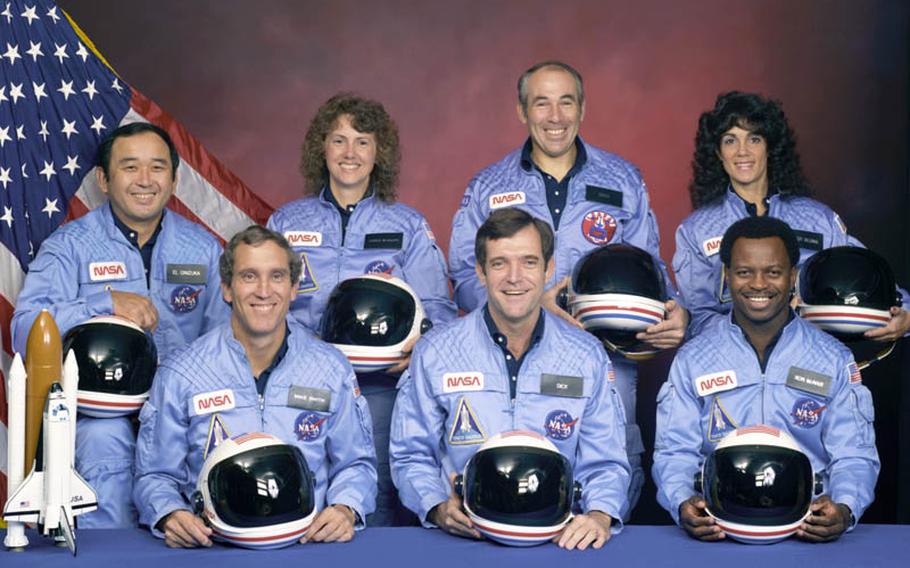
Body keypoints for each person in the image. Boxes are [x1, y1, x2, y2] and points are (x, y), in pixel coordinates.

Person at [447, 61, 685, 513]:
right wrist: (531, 307)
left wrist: (675, 312)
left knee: (607, 482)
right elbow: (463, 277)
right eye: (541, 103)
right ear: (522, 111)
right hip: (509, 357)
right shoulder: (488, 186)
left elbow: (652, 272)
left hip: (608, 358)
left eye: (566, 102)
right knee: (518, 483)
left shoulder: (623, 180)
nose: (555, 116)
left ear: (582, 109)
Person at [11, 122, 229, 527]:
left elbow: (226, 342)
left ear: (175, 179)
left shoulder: (201, 248)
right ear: (104, 180)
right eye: (130, 167)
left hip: (180, 412)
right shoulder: (70, 247)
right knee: (102, 444)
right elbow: (26, 329)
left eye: (157, 167)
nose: (145, 180)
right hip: (101, 414)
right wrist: (104, 302)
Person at [391, 208, 630, 551]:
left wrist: (599, 515)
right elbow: (410, 453)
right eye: (500, 263)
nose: (514, 277)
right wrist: (437, 506)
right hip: (465, 541)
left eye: (529, 262)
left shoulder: (585, 355)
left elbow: (606, 461)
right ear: (481, 271)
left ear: (548, 269)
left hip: (559, 543)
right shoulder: (436, 351)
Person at [267, 93, 455, 526]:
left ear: (379, 153)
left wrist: (417, 351)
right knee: (301, 493)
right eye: (339, 140)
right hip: (301, 385)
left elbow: (439, 310)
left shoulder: (406, 225)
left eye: (363, 142)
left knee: (380, 495)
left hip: (380, 390)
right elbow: (261, 301)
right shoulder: (286, 223)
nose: (350, 153)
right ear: (322, 148)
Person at [133, 225, 376, 548]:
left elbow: (356, 464)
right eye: (249, 276)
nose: (264, 291)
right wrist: (169, 513)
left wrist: (346, 508)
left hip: (308, 547)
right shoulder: (182, 372)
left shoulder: (331, 368)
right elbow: (155, 475)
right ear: (227, 288)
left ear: (293, 288)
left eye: (276, 276)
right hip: (215, 549)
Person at [653, 216, 879, 542]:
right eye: (744, 272)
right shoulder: (693, 358)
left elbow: (854, 453)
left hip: (806, 528)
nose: (759, 284)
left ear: (793, 277)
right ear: (727, 276)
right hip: (720, 528)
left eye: (773, 272)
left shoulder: (833, 358)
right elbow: (674, 452)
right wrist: (680, 502)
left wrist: (844, 506)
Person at [674, 90, 910, 337]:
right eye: (730, 140)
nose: (742, 151)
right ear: (718, 153)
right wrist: (759, 326)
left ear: (769, 147)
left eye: (754, 139)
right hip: (733, 366)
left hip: (810, 361)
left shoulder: (817, 220)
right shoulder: (697, 230)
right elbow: (698, 319)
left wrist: (905, 315)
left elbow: (867, 277)